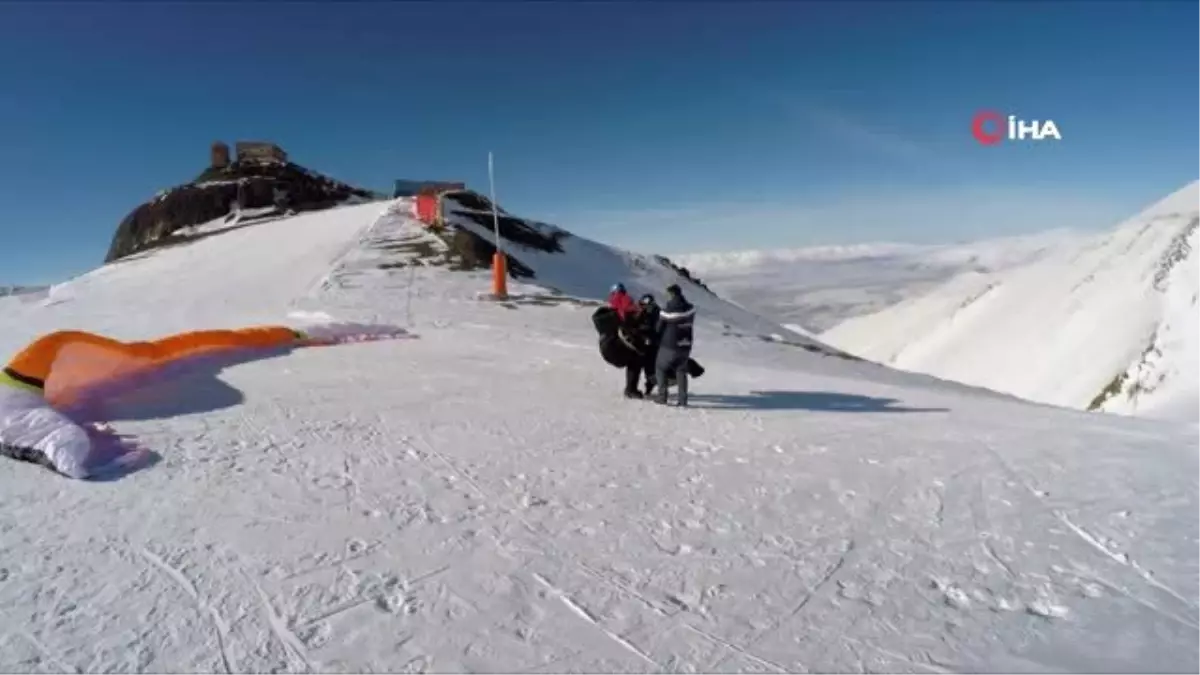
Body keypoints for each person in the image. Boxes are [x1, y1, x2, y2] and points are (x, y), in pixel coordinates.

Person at [654, 284, 696, 407]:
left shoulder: (666, 311)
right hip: (686, 344)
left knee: (660, 367)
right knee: (681, 370)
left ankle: (662, 396)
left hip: (670, 345)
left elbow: (658, 328)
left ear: (671, 295)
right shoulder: (690, 309)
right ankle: (683, 400)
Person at [636, 293, 662, 396]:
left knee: (649, 366)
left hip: (652, 343)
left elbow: (650, 327)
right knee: (649, 366)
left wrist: (640, 328)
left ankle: (651, 385)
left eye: (643, 303)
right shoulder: (655, 310)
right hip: (653, 342)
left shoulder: (652, 311)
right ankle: (651, 384)